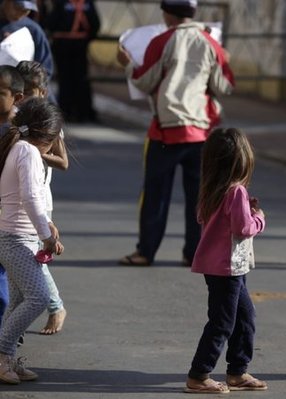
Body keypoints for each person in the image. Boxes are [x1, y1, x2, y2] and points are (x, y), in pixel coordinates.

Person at [116, 0, 234, 267]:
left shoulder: (161, 41)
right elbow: (225, 86)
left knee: (155, 196)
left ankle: (146, 251)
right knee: (200, 198)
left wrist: (127, 64)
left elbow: (143, 80)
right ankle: (194, 253)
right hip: (202, 132)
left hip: (165, 132)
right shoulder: (210, 43)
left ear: (168, 13)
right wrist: (223, 60)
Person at [185, 128, 267, 394]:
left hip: (223, 266)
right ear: (240, 162)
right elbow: (243, 228)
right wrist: (259, 217)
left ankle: (238, 371)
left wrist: (246, 210)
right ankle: (199, 374)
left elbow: (211, 220)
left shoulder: (212, 189)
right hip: (228, 267)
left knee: (245, 317)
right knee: (222, 322)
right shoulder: (236, 192)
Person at [0, 97, 64, 385]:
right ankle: (2, 354)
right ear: (48, 136)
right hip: (16, 239)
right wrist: (46, 236)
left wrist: (46, 227)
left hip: (16, 237)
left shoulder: (20, 147)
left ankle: (9, 357)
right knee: (38, 298)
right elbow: (30, 197)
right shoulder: (28, 152)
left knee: (18, 300)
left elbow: (27, 197)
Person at [16, 60, 68, 334]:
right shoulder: (17, 120)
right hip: (16, 199)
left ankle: (55, 306)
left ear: (43, 93)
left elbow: (64, 161)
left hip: (38, 200)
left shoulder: (48, 120)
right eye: (23, 91)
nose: (27, 97)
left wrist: (36, 151)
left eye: (33, 91)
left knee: (34, 257)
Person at [45, 0, 100, 122]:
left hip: (78, 45)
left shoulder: (86, 3)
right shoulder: (62, 3)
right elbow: (51, 22)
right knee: (67, 79)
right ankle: (68, 111)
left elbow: (95, 24)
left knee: (80, 79)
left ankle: (82, 112)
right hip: (64, 45)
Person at [0, 65, 23, 334]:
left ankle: (6, 354)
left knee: (6, 296)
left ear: (17, 97)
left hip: (10, 222)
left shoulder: (21, 133)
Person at [0, 0, 54, 79]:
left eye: (26, 10)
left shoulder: (32, 29)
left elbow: (45, 67)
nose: (20, 14)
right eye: (17, 8)